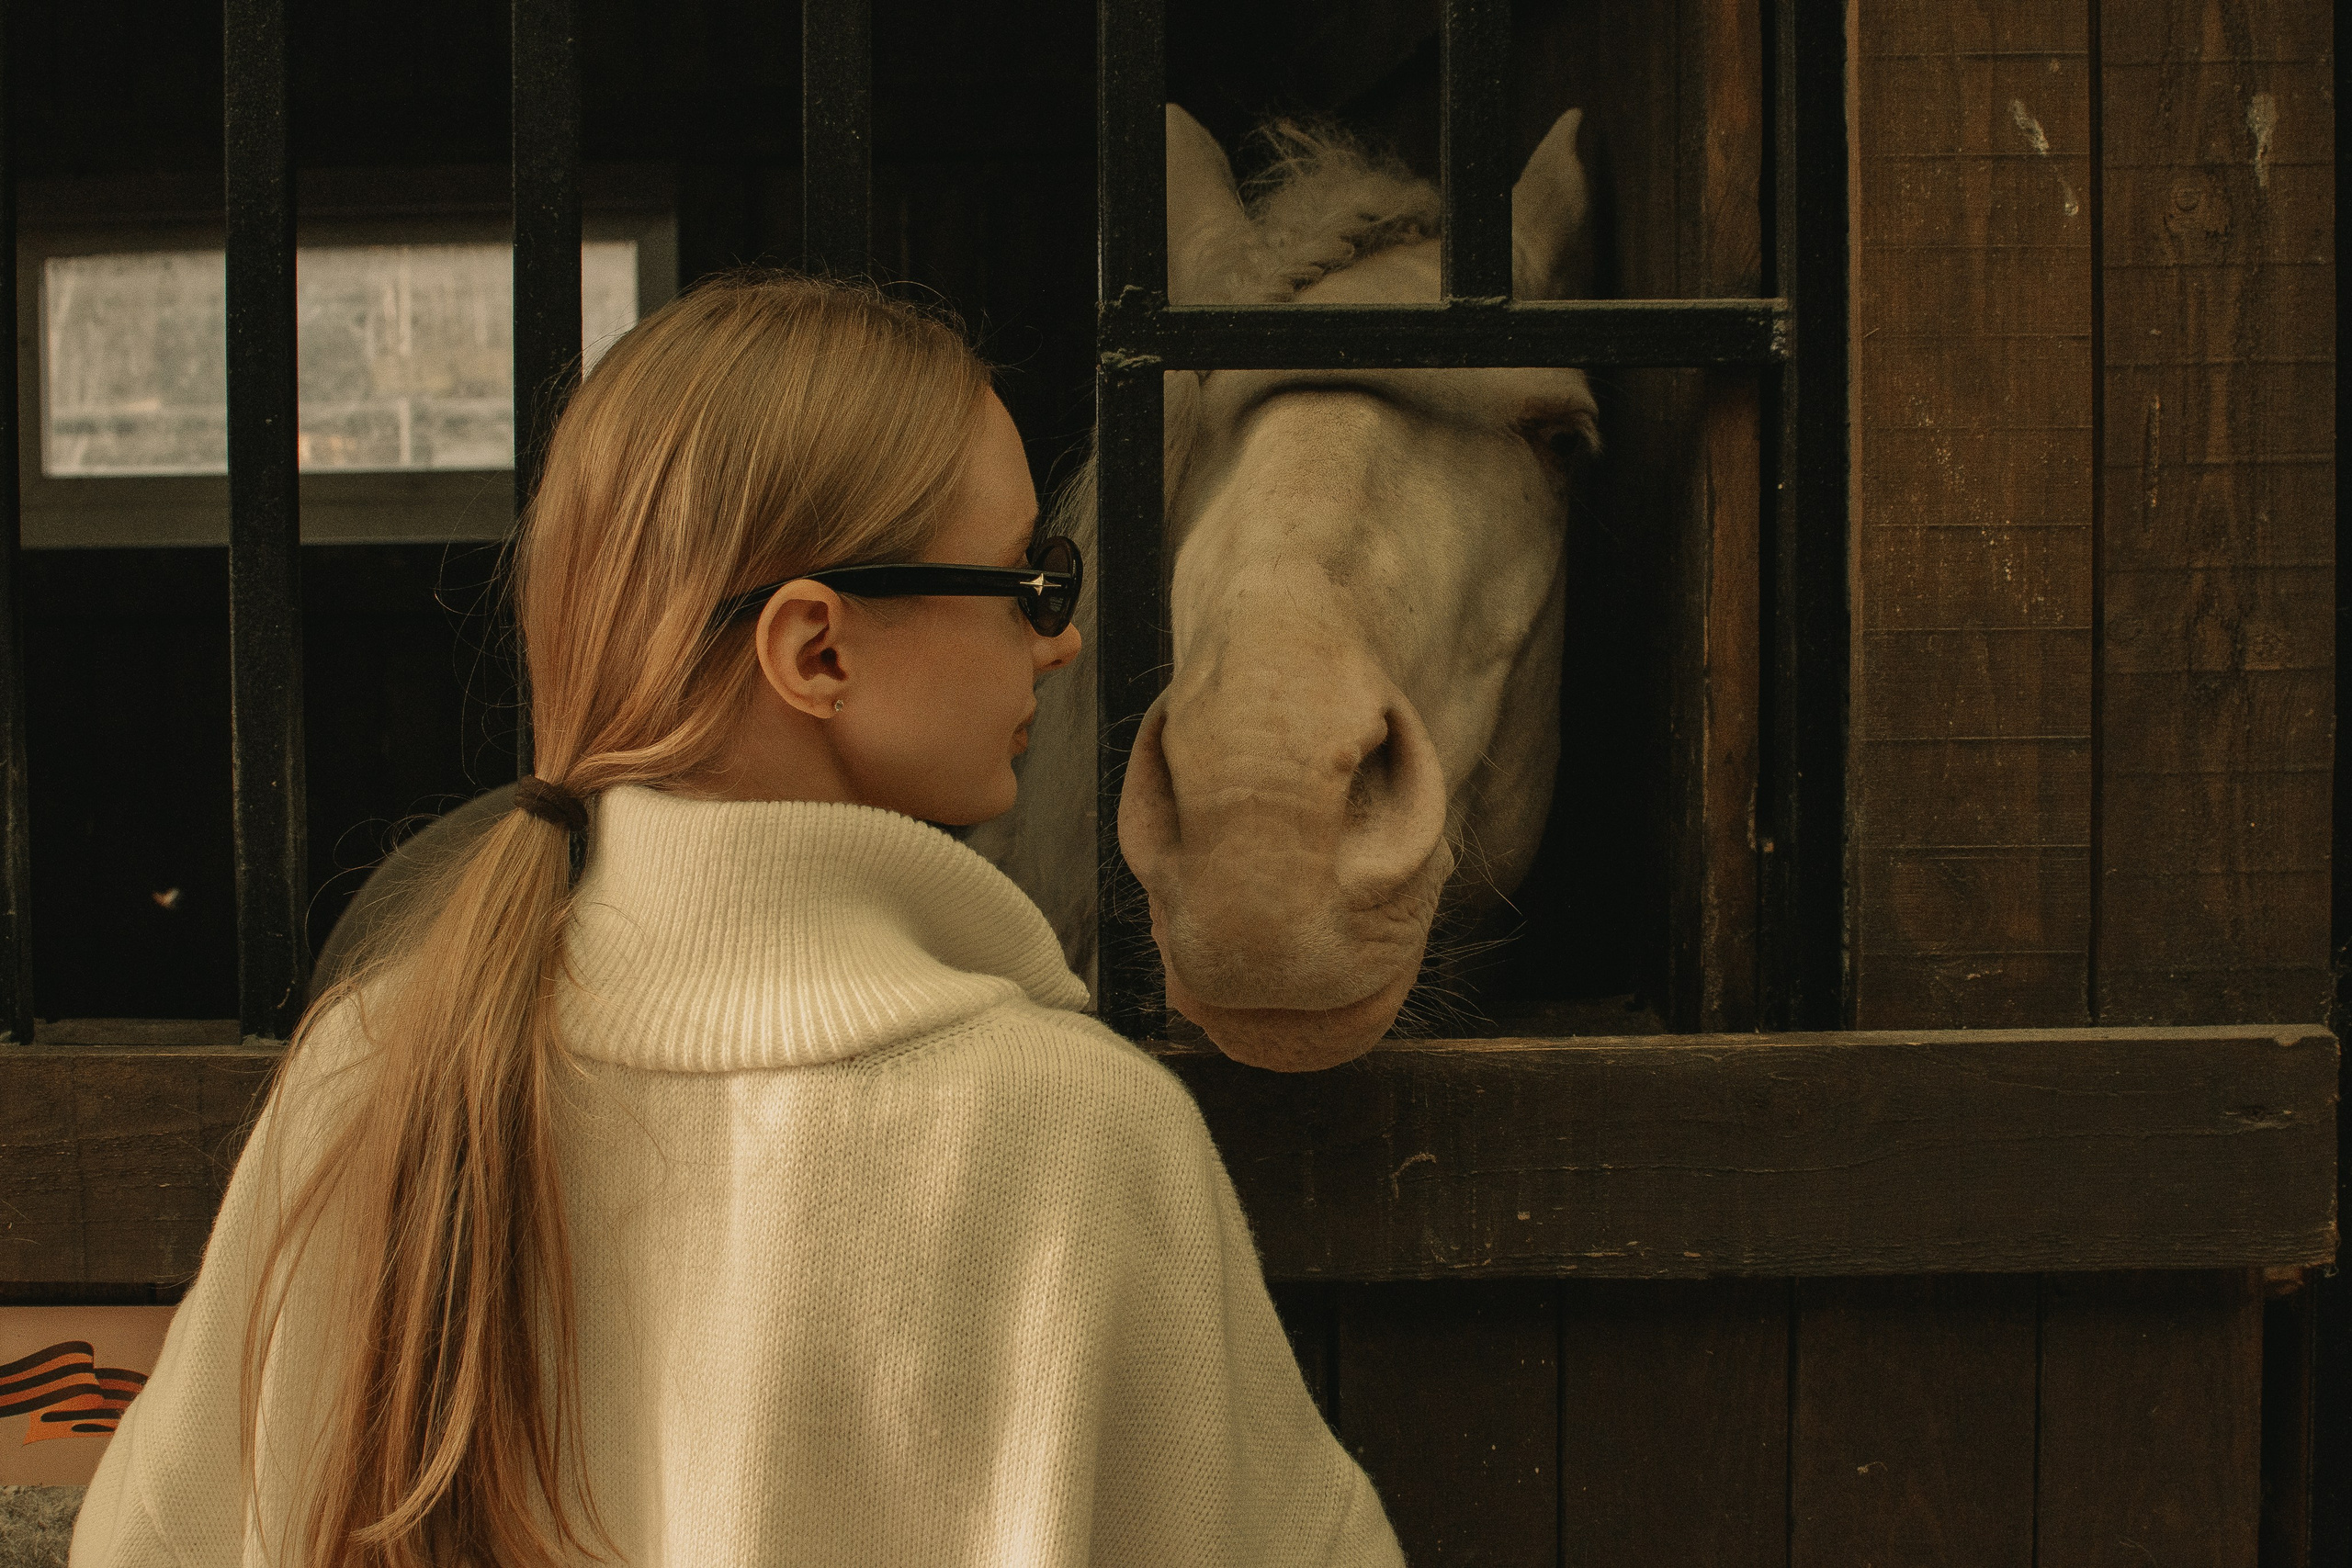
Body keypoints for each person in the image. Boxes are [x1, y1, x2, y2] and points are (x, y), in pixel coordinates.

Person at [69, 273, 1404, 1567]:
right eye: (1033, 581)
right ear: (817, 650)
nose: (1057, 642)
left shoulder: (365, 1069)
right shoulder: (1079, 1138)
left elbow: (147, 1541)